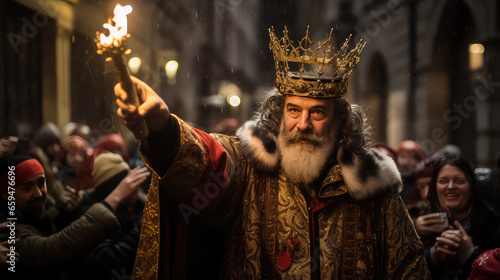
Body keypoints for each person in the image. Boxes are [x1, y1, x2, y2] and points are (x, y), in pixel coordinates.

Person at [115, 27, 430, 279]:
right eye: (293, 110)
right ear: (280, 115)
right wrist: (162, 126)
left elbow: (408, 268)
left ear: (340, 122)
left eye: (318, 113)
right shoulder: (249, 168)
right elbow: (205, 160)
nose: (302, 124)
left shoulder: (375, 192)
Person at [0, 155, 149, 279]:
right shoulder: (5, 228)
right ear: (6, 194)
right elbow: (49, 251)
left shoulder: (51, 212)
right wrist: (114, 198)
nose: (39, 193)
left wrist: (69, 213)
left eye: (41, 183)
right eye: (27, 188)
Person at [424, 156, 500, 280]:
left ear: (471, 186)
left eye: (459, 181)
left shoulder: (493, 225)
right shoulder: (422, 223)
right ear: (434, 186)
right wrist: (433, 255)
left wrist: (470, 253)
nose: (450, 186)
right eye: (443, 181)